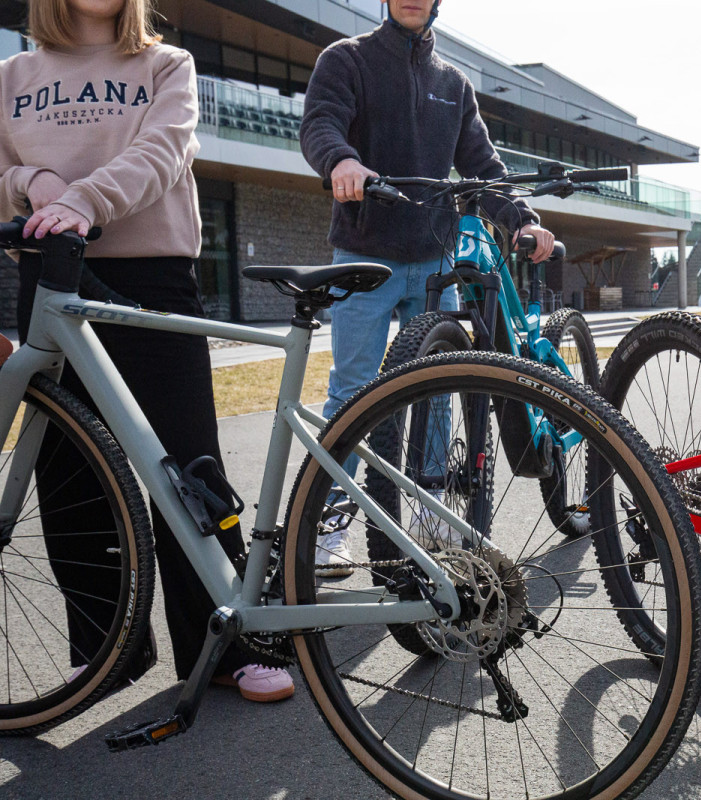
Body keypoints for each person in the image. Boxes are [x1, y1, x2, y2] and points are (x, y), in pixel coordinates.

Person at [0, 0, 293, 702]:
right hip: (49, 268)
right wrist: (37, 187)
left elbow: (165, 151)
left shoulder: (168, 64)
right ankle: (104, 652)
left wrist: (85, 201)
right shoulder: (12, 74)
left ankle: (230, 644)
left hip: (151, 273)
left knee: (187, 461)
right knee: (69, 470)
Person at [300, 0, 555, 574]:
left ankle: (431, 507)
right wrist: (341, 160)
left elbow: (484, 168)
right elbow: (320, 124)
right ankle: (334, 519)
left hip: (436, 258)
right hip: (365, 255)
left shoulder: (453, 84)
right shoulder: (348, 60)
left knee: (436, 387)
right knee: (353, 389)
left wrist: (522, 219)